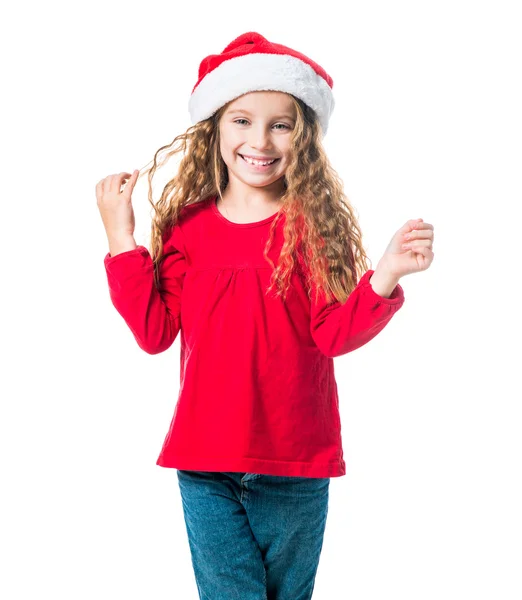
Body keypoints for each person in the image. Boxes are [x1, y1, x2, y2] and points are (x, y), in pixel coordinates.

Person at [96, 31, 434, 600]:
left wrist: (386, 274)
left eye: (280, 124)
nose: (261, 140)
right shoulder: (187, 227)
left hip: (295, 464)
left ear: (302, 137)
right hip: (205, 464)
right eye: (242, 121)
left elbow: (333, 334)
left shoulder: (314, 228)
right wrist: (121, 238)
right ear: (215, 129)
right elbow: (155, 335)